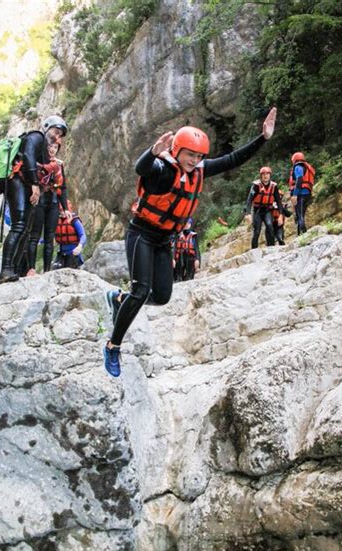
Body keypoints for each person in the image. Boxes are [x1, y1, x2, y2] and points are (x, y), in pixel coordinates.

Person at [103, 107, 277, 377]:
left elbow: (232, 160)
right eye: (189, 154)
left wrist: (262, 138)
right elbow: (142, 168)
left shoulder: (199, 171)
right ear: (176, 151)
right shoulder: (161, 169)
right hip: (142, 234)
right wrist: (152, 151)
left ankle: (119, 298)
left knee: (161, 297)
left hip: (163, 240)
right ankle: (113, 345)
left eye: (198, 156)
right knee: (141, 291)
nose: (194, 160)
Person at [0, 115, 68, 284]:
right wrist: (35, 185)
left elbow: (55, 181)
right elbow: (28, 157)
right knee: (19, 225)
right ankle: (6, 270)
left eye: (60, 135)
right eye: (56, 132)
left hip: (26, 184)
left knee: (27, 229)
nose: (57, 137)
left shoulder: (44, 149)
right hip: (18, 182)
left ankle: (15, 269)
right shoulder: (35, 137)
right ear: (47, 127)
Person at [21, 139, 72, 276]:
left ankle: (47, 271)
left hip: (54, 202)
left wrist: (66, 208)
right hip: (39, 202)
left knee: (49, 239)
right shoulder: (37, 163)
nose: (52, 149)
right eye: (50, 146)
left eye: (55, 147)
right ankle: (31, 269)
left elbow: (62, 187)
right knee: (34, 236)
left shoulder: (59, 166)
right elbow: (31, 180)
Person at [244, 166, 284, 249]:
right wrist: (248, 213)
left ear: (270, 175)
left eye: (267, 174)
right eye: (263, 174)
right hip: (257, 211)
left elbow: (279, 202)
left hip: (267, 210)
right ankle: (254, 250)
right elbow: (249, 199)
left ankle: (271, 248)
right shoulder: (256, 186)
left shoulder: (274, 186)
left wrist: (280, 215)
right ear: (261, 176)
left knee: (270, 226)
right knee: (257, 231)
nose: (265, 176)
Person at [53, 200, 87, 269]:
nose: (62, 212)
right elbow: (50, 236)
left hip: (73, 253)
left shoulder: (74, 220)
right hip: (62, 253)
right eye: (60, 210)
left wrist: (80, 246)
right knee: (55, 269)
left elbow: (83, 235)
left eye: (63, 210)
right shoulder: (57, 220)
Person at [289, 151, 315, 235]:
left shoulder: (298, 167)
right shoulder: (306, 167)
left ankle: (303, 235)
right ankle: (300, 234)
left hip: (300, 194)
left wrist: (295, 194)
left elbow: (299, 180)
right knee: (301, 215)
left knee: (299, 216)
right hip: (307, 194)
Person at [173, 217, 200, 281]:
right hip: (180, 258)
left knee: (189, 277)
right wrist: (173, 258)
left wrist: (197, 259)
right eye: (185, 224)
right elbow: (175, 248)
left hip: (190, 258)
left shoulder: (194, 236)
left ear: (190, 224)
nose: (187, 225)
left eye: (188, 223)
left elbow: (196, 249)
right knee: (178, 277)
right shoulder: (178, 235)